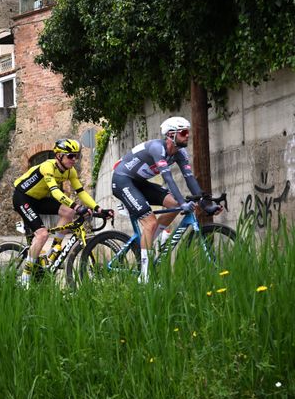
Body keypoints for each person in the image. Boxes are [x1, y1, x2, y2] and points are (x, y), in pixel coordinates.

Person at [112, 116, 222, 283]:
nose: (187, 136)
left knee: (176, 205)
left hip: (139, 183)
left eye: (188, 132)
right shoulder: (158, 148)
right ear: (171, 135)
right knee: (151, 223)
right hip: (122, 181)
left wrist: (205, 204)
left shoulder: (180, 153)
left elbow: (190, 178)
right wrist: (185, 203)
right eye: (184, 132)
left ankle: (148, 243)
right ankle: (145, 277)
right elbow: (169, 179)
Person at [12, 139, 110, 285]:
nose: (74, 159)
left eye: (76, 156)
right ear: (58, 156)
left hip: (39, 199)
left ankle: (53, 252)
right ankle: (25, 278)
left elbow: (81, 192)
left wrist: (98, 208)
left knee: (68, 213)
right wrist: (77, 206)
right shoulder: (47, 167)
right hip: (22, 197)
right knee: (42, 234)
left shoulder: (70, 171)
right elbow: (56, 192)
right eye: (70, 156)